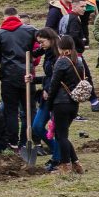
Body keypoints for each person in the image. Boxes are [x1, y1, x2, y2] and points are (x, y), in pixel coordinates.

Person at [0, 7, 37, 146]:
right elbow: (37, 48)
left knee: (10, 110)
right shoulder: (30, 30)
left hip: (8, 75)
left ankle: (12, 141)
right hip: (26, 74)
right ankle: (26, 140)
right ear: (18, 17)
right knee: (29, 110)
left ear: (4, 17)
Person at [46, 35, 88, 174]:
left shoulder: (62, 61)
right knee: (62, 134)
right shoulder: (79, 61)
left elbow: (54, 84)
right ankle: (76, 164)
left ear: (63, 49)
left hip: (61, 103)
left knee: (61, 136)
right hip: (74, 103)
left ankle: (66, 165)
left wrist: (49, 103)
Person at [27, 28, 62, 171]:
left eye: (42, 42)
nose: (40, 45)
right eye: (39, 42)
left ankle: (58, 158)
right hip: (46, 97)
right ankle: (56, 150)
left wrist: (48, 89)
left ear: (51, 39)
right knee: (37, 127)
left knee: (58, 130)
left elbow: (57, 77)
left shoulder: (58, 55)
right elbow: (49, 77)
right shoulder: (48, 53)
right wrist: (33, 80)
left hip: (57, 97)